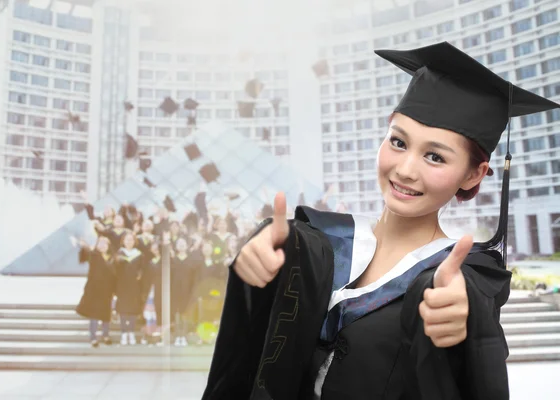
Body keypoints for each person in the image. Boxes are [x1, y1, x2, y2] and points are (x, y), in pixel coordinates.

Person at [202, 42, 560, 400]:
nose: (405, 170)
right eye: (398, 142)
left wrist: (462, 317)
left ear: (473, 175)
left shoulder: (465, 277)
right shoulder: (319, 243)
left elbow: (470, 304)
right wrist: (262, 260)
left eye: (435, 157)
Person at [75, 236, 116, 347]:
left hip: (107, 291)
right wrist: (83, 247)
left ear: (108, 246)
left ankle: (105, 335)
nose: (102, 245)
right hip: (94, 290)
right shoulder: (94, 255)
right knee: (94, 315)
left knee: (106, 315)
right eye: (100, 243)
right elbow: (84, 255)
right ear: (97, 245)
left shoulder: (113, 258)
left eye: (105, 243)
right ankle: (93, 338)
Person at [115, 230, 143, 346]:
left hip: (134, 286)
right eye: (127, 239)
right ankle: (124, 333)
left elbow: (142, 269)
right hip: (122, 286)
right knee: (123, 310)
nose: (129, 241)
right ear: (123, 241)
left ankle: (131, 332)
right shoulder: (119, 254)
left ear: (134, 241)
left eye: (131, 239)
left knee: (132, 310)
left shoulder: (139, 254)